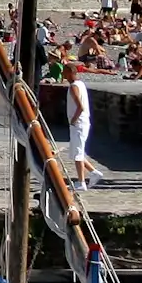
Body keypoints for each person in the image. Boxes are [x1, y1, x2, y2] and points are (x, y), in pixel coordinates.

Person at [64, 62, 96, 190]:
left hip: (78, 123)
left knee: (77, 153)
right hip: (82, 123)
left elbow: (80, 107)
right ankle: (94, 172)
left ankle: (81, 182)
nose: (63, 75)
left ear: (70, 73)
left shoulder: (74, 87)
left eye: (65, 72)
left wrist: (73, 120)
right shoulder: (80, 84)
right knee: (77, 151)